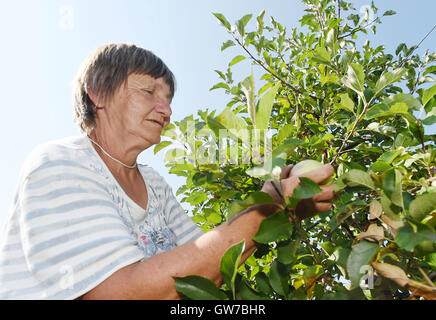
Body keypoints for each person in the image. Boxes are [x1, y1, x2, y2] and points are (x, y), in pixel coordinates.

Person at [0, 43, 335, 300]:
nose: (167, 110)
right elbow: (122, 293)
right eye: (148, 91)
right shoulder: (59, 163)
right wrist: (268, 206)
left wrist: (276, 203)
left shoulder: (154, 183)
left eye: (169, 98)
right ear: (98, 93)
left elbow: (209, 262)